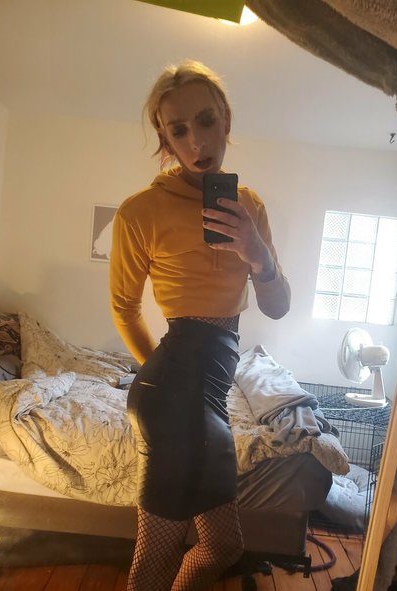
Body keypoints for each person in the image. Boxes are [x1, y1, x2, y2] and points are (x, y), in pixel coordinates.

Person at [109, 60, 291, 591]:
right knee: (157, 553)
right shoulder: (140, 212)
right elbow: (124, 308)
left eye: (206, 121)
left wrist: (259, 256)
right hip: (174, 392)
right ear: (165, 139)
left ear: (226, 119)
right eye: (179, 130)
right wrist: (164, 376)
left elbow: (278, 308)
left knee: (222, 546)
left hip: (209, 394)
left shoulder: (249, 206)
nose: (197, 141)